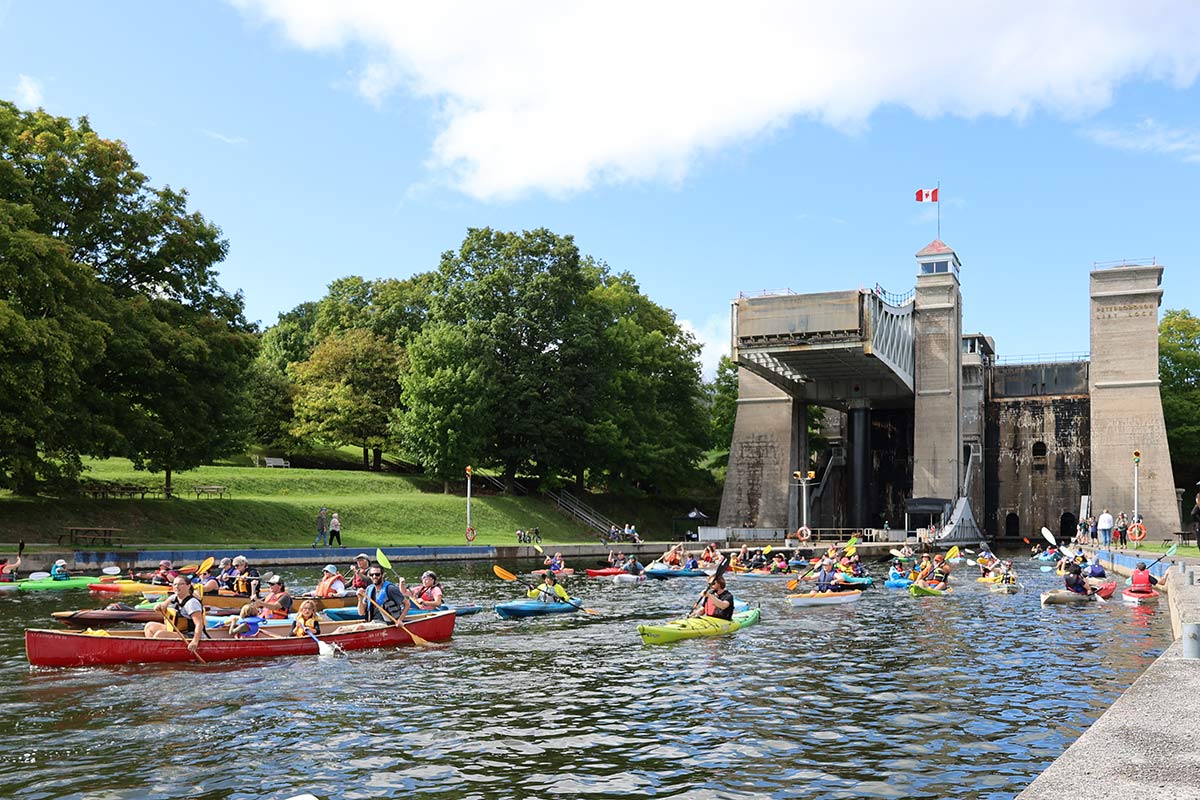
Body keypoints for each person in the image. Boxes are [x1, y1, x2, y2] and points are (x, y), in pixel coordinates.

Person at [143, 576, 205, 653]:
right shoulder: (173, 597)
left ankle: (151, 652)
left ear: (188, 586)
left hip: (189, 635)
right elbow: (163, 606)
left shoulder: (192, 603)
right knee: (149, 626)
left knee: (161, 634)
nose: (177, 587)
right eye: (175, 584)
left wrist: (194, 642)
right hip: (176, 630)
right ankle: (150, 650)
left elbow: (199, 624)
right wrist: (158, 607)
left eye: (180, 584)